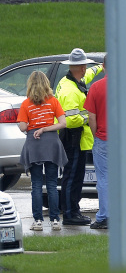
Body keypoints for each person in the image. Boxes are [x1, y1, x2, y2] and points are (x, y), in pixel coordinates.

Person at [84, 57, 126, 230]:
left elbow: (91, 117)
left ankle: (104, 217)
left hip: (104, 138)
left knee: (104, 179)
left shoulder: (95, 87)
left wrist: (97, 137)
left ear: (103, 67)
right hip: (124, 138)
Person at [54, 48, 103, 227]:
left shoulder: (71, 80)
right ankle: (69, 214)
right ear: (80, 67)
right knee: (72, 177)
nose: (86, 70)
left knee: (75, 176)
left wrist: (99, 67)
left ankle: (73, 210)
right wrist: (90, 117)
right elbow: (70, 120)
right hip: (73, 137)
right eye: (85, 66)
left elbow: (89, 75)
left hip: (77, 138)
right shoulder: (71, 91)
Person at [17, 71, 67, 232]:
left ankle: (38, 220)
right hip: (51, 143)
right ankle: (55, 220)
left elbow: (23, 127)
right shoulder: (53, 101)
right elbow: (62, 123)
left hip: (34, 144)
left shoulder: (26, 104)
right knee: (52, 184)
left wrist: (35, 127)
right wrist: (45, 128)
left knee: (36, 185)